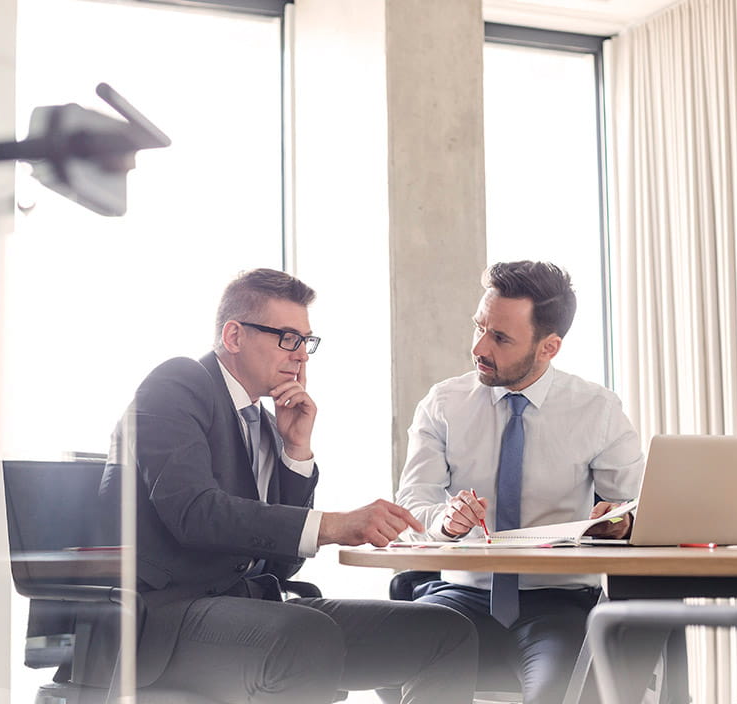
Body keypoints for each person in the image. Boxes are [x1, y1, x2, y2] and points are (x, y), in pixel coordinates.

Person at [97, 268, 478, 704]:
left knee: (444, 631)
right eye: (288, 338)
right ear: (235, 336)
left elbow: (280, 566)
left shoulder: (262, 420)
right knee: (305, 638)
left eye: (306, 341)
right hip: (165, 620)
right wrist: (333, 525)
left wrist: (296, 449)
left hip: (252, 608)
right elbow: (195, 514)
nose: (302, 356)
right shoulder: (178, 384)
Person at [394, 260, 644, 704]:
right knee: (417, 671)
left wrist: (621, 522)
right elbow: (413, 503)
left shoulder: (596, 410)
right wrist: (445, 522)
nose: (479, 347)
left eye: (500, 338)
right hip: (459, 595)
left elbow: (639, 504)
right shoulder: (443, 405)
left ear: (549, 347)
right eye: (479, 327)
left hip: (559, 603)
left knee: (558, 694)